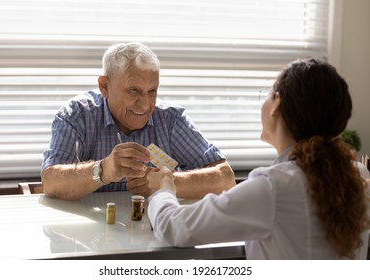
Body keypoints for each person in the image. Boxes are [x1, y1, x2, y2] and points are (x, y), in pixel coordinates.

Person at [146, 58, 370, 259]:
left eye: (268, 94)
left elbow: (174, 229)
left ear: (277, 104)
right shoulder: (358, 174)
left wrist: (163, 187)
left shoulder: (274, 186)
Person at [41, 42, 236, 201]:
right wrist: (104, 170)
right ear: (104, 86)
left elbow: (225, 179)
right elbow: (50, 182)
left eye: (152, 91)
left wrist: (169, 182)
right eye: (133, 90)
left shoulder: (170, 119)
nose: (144, 105)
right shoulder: (77, 115)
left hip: (155, 232)